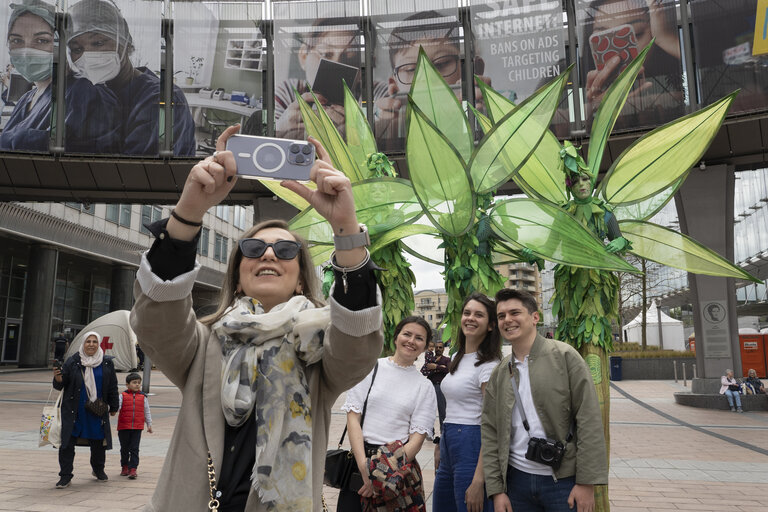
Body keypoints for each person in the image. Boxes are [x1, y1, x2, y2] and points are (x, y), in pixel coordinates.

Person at [129, 124, 383, 511]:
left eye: (284, 250)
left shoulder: (319, 351)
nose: (268, 255)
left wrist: (345, 228)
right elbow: (155, 320)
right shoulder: (202, 342)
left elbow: (358, 341)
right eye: (253, 247)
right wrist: (190, 212)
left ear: (301, 281)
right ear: (239, 275)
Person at [482, 289, 608, 512]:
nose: (507, 320)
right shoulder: (501, 372)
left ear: (535, 317)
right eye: (501, 316)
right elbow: (491, 432)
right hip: (516, 482)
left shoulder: (565, 356)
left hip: (563, 483)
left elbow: (588, 419)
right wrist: (497, 490)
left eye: (514, 313)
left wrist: (586, 482)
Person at [66, 0, 196, 156]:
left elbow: (137, 171)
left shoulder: (161, 99)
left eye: (98, 43)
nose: (87, 55)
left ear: (125, 41)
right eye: (76, 49)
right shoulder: (88, 91)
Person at [340, 316, 437, 511]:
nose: (411, 341)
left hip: (398, 469)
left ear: (426, 346)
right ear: (396, 337)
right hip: (361, 461)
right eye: (407, 334)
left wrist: (381, 476)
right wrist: (365, 469)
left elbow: (416, 441)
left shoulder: (424, 386)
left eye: (419, 338)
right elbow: (353, 417)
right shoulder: (370, 368)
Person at [0, 0, 121, 153]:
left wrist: (18, 137)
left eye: (42, 40)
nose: (26, 50)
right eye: (17, 40)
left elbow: (77, 149)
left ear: (64, 44)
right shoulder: (26, 99)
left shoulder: (84, 92)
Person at [373, 10, 492, 149]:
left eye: (442, 63)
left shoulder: (493, 118)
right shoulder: (388, 133)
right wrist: (383, 140)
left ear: (475, 70)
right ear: (394, 87)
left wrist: (491, 122)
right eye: (412, 69)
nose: (427, 78)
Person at [433, 292, 501, 512]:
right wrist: (440, 443)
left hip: (472, 444)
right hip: (449, 441)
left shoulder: (489, 364)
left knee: (471, 505)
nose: (470, 318)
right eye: (467, 312)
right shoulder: (457, 358)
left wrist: (479, 479)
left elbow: (493, 423)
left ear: (491, 325)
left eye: (479, 315)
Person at [274, 19, 388, 140]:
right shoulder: (289, 91)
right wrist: (280, 128)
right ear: (303, 56)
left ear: (363, 69)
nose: (335, 64)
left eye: (350, 58)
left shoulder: (374, 93)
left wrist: (357, 130)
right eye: (326, 54)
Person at [581, 0, 683, 126]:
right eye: (602, 41)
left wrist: (667, 39)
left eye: (635, 34)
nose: (619, 56)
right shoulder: (585, 96)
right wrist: (596, 116)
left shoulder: (679, 91)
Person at [51, 331, 119, 489]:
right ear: (83, 343)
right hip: (74, 410)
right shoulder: (73, 361)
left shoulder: (107, 363)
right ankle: (65, 476)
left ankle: (98, 469)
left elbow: (112, 387)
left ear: (99, 344)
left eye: (95, 341)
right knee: (67, 443)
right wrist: (58, 378)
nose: (91, 344)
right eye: (88, 341)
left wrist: (114, 406)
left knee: (98, 442)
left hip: (96, 410)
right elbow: (61, 385)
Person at [117, 372, 153, 479]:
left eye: (139, 383)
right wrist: (112, 411)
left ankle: (133, 469)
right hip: (124, 427)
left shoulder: (143, 397)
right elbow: (117, 407)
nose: (137, 385)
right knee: (124, 448)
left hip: (137, 427)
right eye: (134, 382)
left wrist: (149, 424)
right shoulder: (122, 396)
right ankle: (124, 466)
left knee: (134, 448)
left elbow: (147, 411)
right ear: (127, 385)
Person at [421, 339, 450, 435]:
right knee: (429, 410)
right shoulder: (429, 358)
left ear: (443, 349)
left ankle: (443, 431)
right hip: (431, 386)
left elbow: (449, 370)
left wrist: (436, 367)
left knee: (442, 410)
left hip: (441, 387)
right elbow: (425, 369)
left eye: (440, 347)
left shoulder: (446, 360)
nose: (438, 349)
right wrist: (440, 367)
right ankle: (430, 432)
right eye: (436, 347)